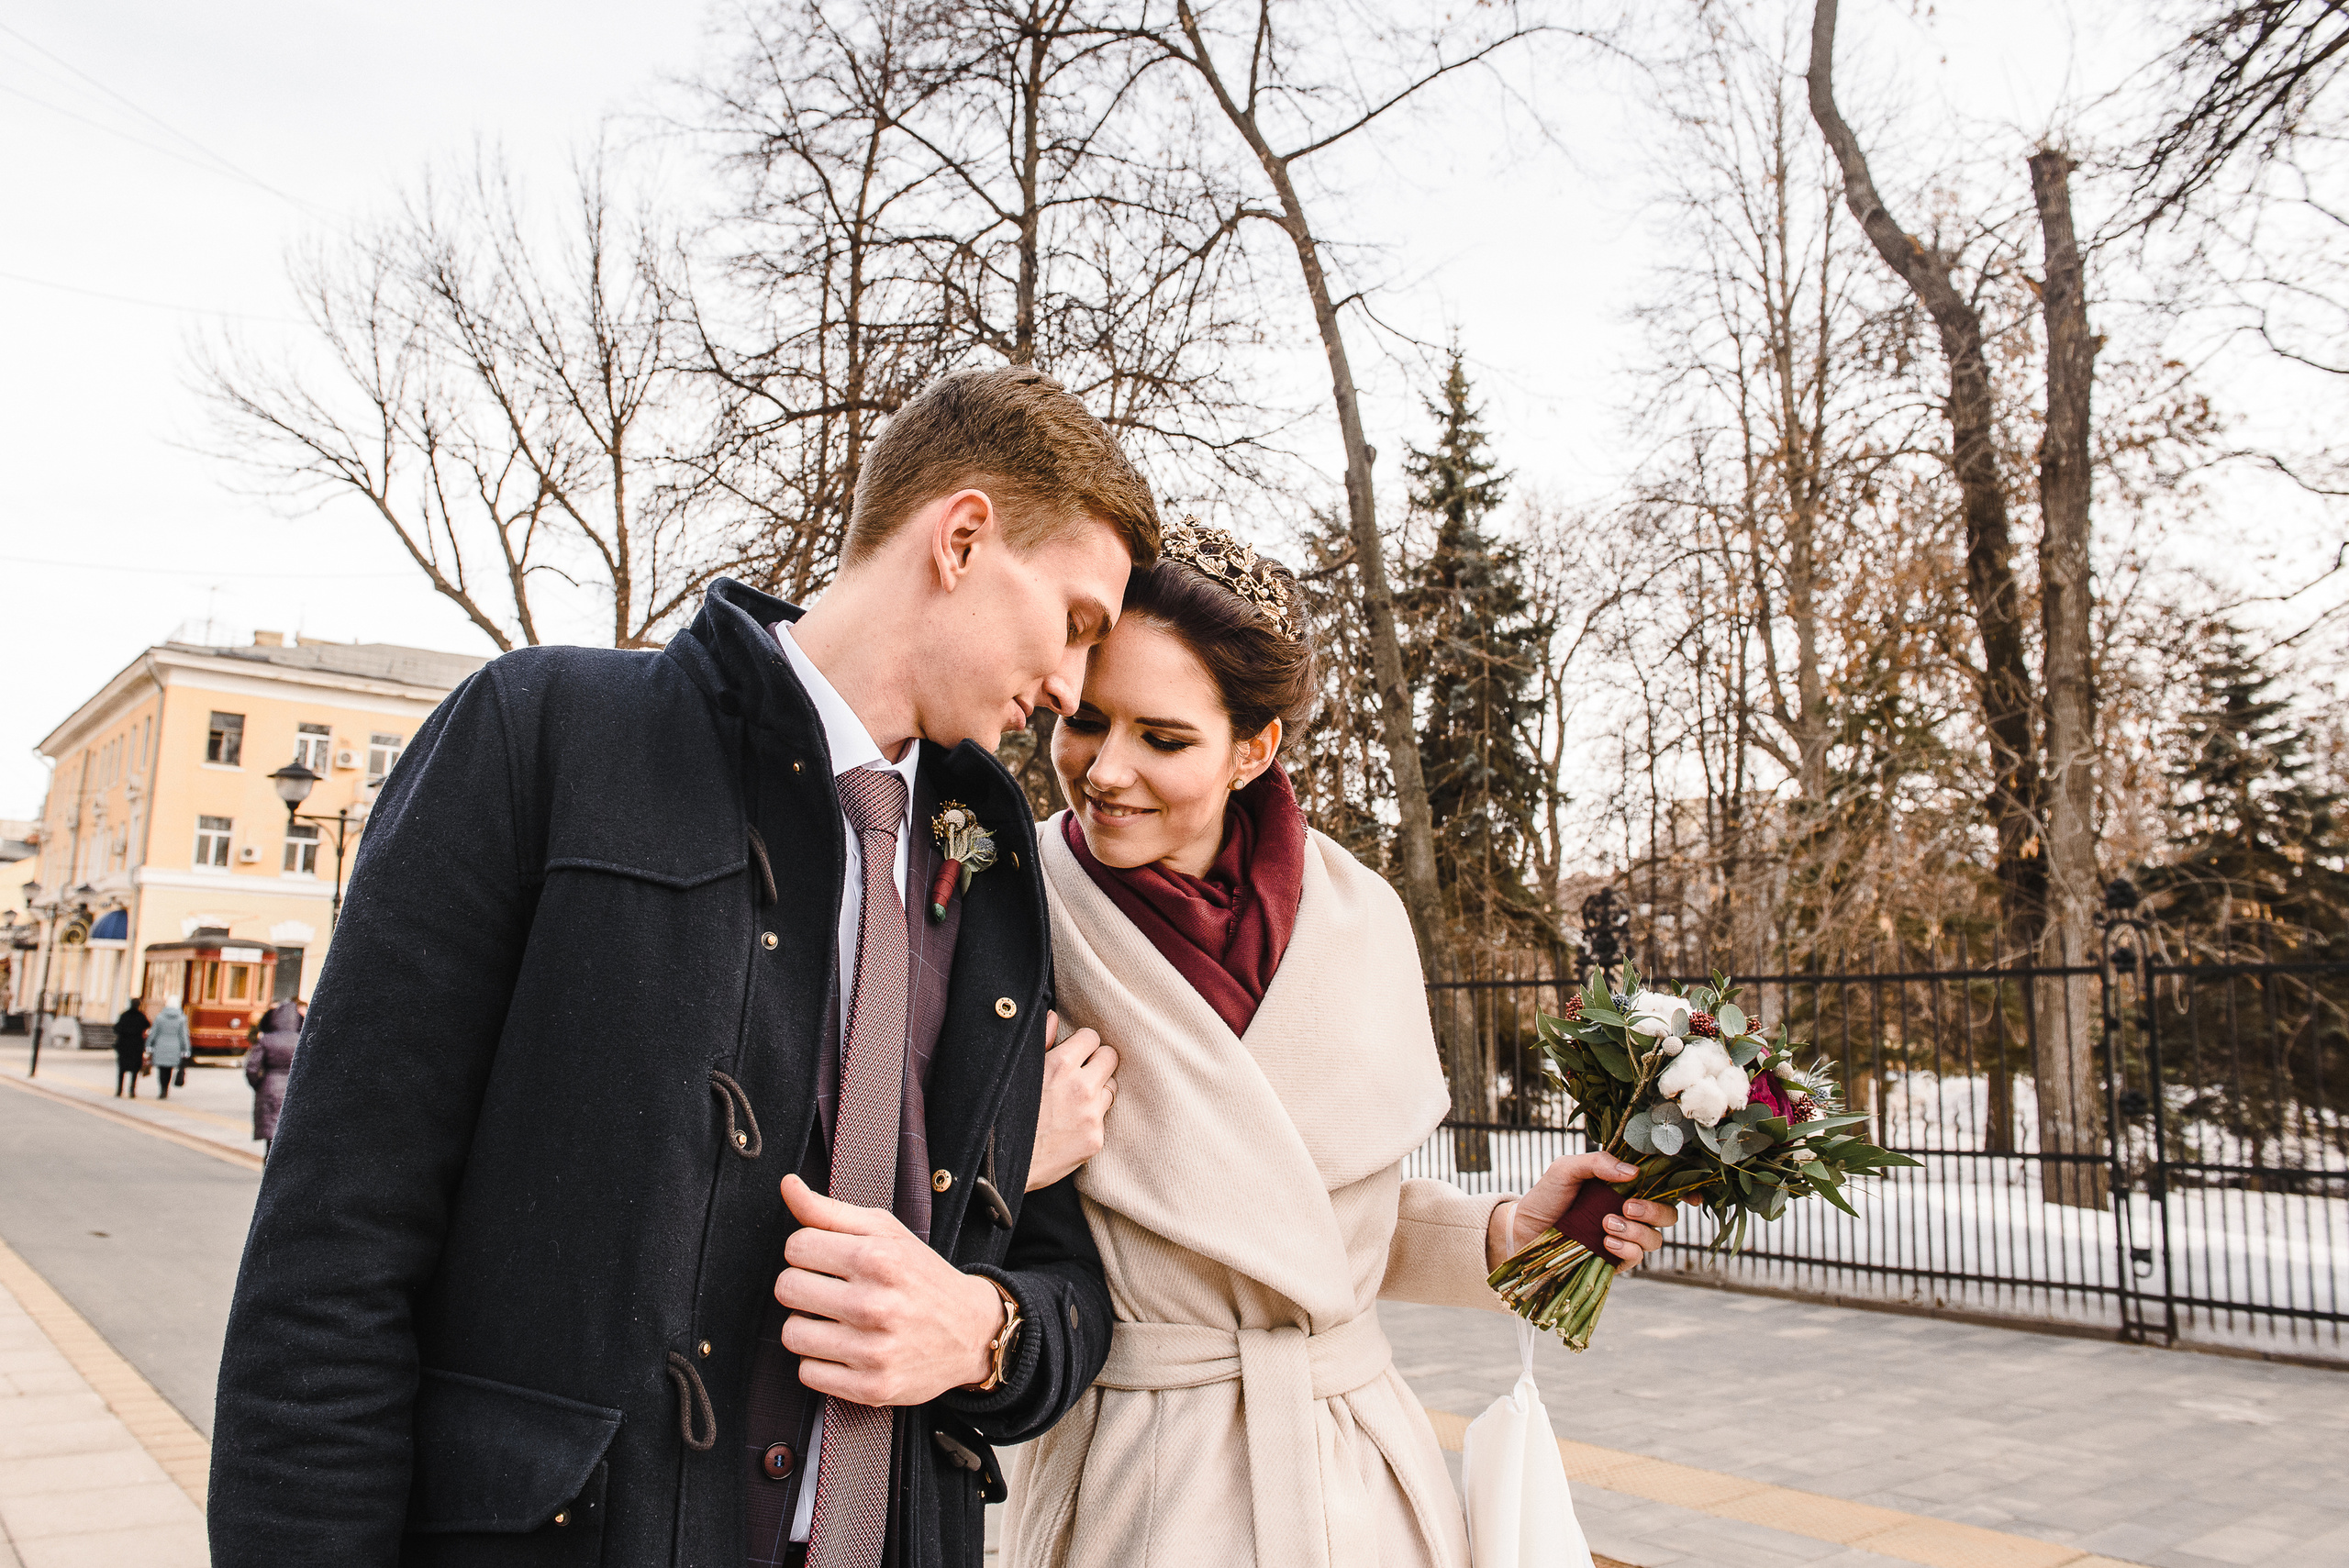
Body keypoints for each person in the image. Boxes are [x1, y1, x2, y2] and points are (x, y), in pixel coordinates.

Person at [209, 367, 1154, 1568]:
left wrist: (982, 1330)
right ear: (963, 536)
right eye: (1074, 622)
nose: (1071, 688)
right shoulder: (542, 736)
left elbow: (1068, 1288)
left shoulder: (1001, 879)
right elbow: (334, 1256)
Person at [996, 523, 1684, 1568]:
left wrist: (1505, 1234)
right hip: (1140, 1481)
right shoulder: (1006, 902)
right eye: (1087, 720)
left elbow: (1323, 1225)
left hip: (1357, 1473)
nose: (1107, 769)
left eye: (1164, 738)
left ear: (1254, 748)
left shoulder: (1359, 914)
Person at [245, 996, 302, 1147]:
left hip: (269, 1087)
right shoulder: (301, 1041)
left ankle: (268, 1167)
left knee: (271, 1138)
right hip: (293, 1090)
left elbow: (252, 1068)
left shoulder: (266, 1039)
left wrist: (259, 1085)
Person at [147, 995, 190, 1099]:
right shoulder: (182, 1019)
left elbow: (154, 1033)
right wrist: (186, 1049)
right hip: (175, 1046)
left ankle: (162, 1089)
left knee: (162, 1069)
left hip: (160, 1045)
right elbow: (183, 1035)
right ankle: (166, 1089)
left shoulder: (160, 1017)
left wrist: (149, 1044)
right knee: (169, 1069)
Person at [112, 998, 150, 1098]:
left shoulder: (124, 1015)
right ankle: (132, 1090)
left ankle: (119, 1090)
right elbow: (147, 1025)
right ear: (139, 1005)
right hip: (136, 1046)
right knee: (135, 1069)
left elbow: (116, 1028)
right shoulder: (141, 1016)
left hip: (124, 1045)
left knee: (122, 1069)